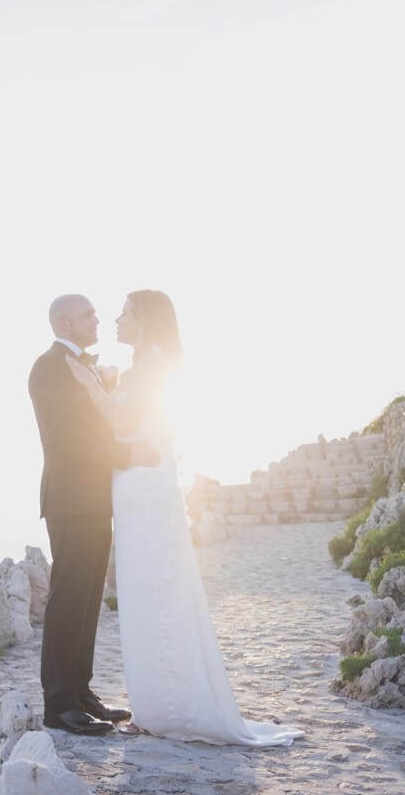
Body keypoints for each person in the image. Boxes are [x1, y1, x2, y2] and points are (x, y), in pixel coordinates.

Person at [64, 289, 304, 746]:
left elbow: (120, 421)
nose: (116, 321)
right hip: (135, 482)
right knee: (143, 590)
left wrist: (90, 381)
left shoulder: (152, 362)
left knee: (154, 588)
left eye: (124, 314)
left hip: (144, 485)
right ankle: (156, 706)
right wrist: (111, 379)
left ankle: (166, 709)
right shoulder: (147, 363)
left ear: (144, 320)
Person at [28, 294, 158, 736]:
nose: (97, 319)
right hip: (69, 498)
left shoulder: (80, 366)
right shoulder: (49, 367)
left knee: (87, 599)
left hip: (95, 498)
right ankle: (58, 703)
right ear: (64, 323)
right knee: (67, 598)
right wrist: (127, 453)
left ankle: (81, 693)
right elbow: (70, 439)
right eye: (88, 315)